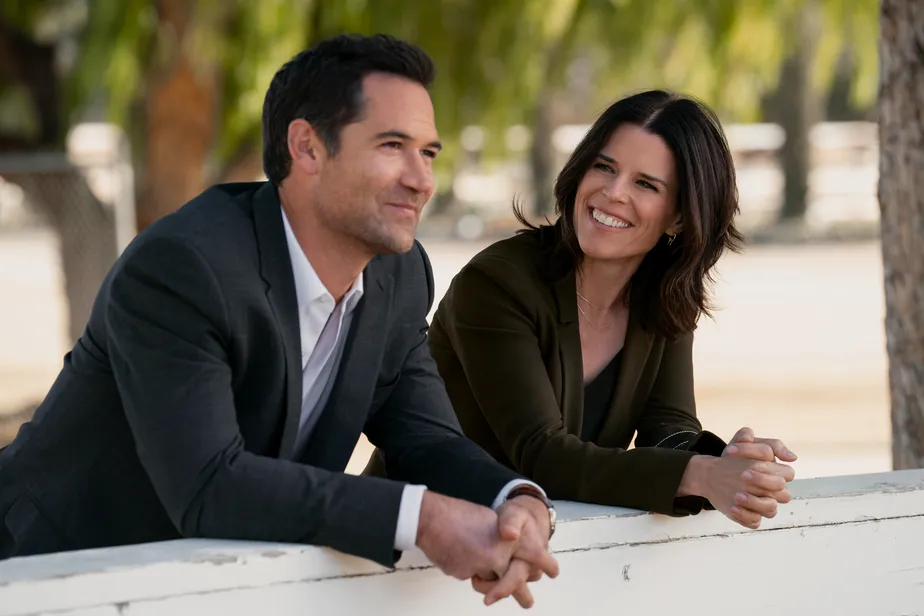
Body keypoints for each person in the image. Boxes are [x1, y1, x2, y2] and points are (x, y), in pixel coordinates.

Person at [0, 34, 558, 609]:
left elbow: (426, 438)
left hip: (216, 585)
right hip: (48, 574)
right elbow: (209, 485)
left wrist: (515, 500)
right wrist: (421, 519)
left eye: (429, 153)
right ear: (307, 148)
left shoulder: (399, 276)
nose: (422, 180)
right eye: (393, 145)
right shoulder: (186, 266)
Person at [369, 90, 796, 529]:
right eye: (604, 167)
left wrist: (727, 464)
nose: (612, 192)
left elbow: (668, 428)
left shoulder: (664, 295)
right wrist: (700, 475)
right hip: (412, 540)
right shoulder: (497, 284)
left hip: (539, 542)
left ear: (680, 217)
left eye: (645, 184)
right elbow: (541, 455)